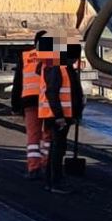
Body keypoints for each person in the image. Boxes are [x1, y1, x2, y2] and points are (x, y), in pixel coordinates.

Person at [38, 40, 84, 194]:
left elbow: (74, 93)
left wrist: (77, 113)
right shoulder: (56, 69)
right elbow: (52, 93)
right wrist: (59, 117)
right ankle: (55, 182)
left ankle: (51, 180)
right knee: (57, 149)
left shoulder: (66, 68)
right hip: (58, 117)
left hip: (64, 116)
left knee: (57, 148)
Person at [11, 30, 53, 179]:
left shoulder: (26, 57)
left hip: (30, 101)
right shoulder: (54, 56)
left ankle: (34, 168)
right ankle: (48, 166)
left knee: (33, 136)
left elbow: (18, 83)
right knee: (48, 135)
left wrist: (15, 105)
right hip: (48, 102)